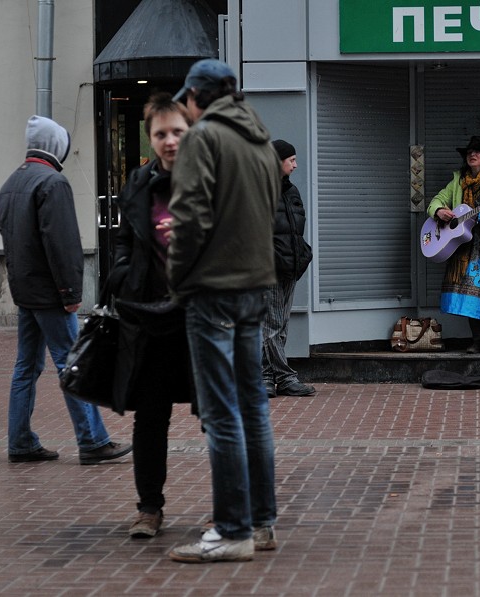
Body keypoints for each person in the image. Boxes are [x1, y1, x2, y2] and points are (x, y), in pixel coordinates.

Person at [165, 59, 280, 563]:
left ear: (196, 96)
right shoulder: (259, 140)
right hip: (256, 286)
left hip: (213, 288)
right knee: (253, 407)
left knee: (222, 411)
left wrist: (177, 275)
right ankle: (261, 523)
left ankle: (231, 530)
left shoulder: (203, 137)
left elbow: (189, 214)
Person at [0, 115, 132, 465]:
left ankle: (21, 440)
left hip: (25, 290)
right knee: (74, 363)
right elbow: (62, 244)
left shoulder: (12, 183)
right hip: (51, 294)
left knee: (26, 366)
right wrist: (71, 293)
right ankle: (93, 440)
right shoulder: (53, 183)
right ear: (56, 146)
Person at [108, 93, 196, 538]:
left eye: (177, 131)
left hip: (201, 318)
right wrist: (126, 277)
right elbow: (123, 242)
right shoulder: (139, 185)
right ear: (150, 138)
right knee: (150, 416)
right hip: (151, 317)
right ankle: (149, 508)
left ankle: (231, 510)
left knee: (217, 415)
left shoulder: (208, 181)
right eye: (160, 133)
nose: (169, 141)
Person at [426, 136, 480, 354]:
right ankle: (478, 340)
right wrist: (439, 211)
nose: (472, 155)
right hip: (462, 246)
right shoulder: (458, 181)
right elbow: (437, 199)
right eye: (469, 152)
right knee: (468, 298)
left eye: (478, 152)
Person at [262, 139, 315, 398]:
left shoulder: (291, 191)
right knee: (270, 326)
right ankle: (285, 376)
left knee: (280, 326)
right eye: (291, 160)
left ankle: (265, 377)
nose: (295, 165)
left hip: (290, 268)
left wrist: (303, 254)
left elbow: (295, 230)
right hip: (268, 268)